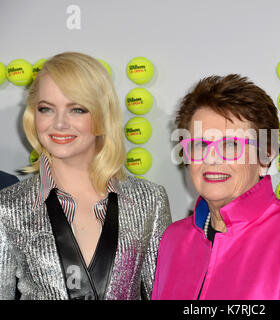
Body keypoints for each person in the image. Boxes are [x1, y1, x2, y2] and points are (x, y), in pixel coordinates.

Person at [0, 52, 172, 300]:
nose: (59, 124)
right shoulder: (8, 206)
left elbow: (163, 294)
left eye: (77, 109)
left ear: (103, 115)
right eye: (46, 109)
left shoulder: (149, 200)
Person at [152, 74, 280, 300]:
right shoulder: (174, 238)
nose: (212, 159)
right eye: (200, 144)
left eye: (231, 145)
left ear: (265, 155)